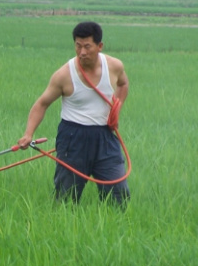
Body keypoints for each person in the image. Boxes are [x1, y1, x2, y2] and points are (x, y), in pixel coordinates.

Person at [17, 21, 130, 205]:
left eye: (87, 46)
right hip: (73, 138)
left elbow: (123, 84)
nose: (82, 52)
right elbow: (41, 104)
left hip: (106, 137)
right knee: (66, 197)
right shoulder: (64, 75)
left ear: (99, 46)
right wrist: (28, 134)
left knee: (118, 195)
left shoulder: (114, 66)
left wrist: (117, 108)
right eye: (78, 46)